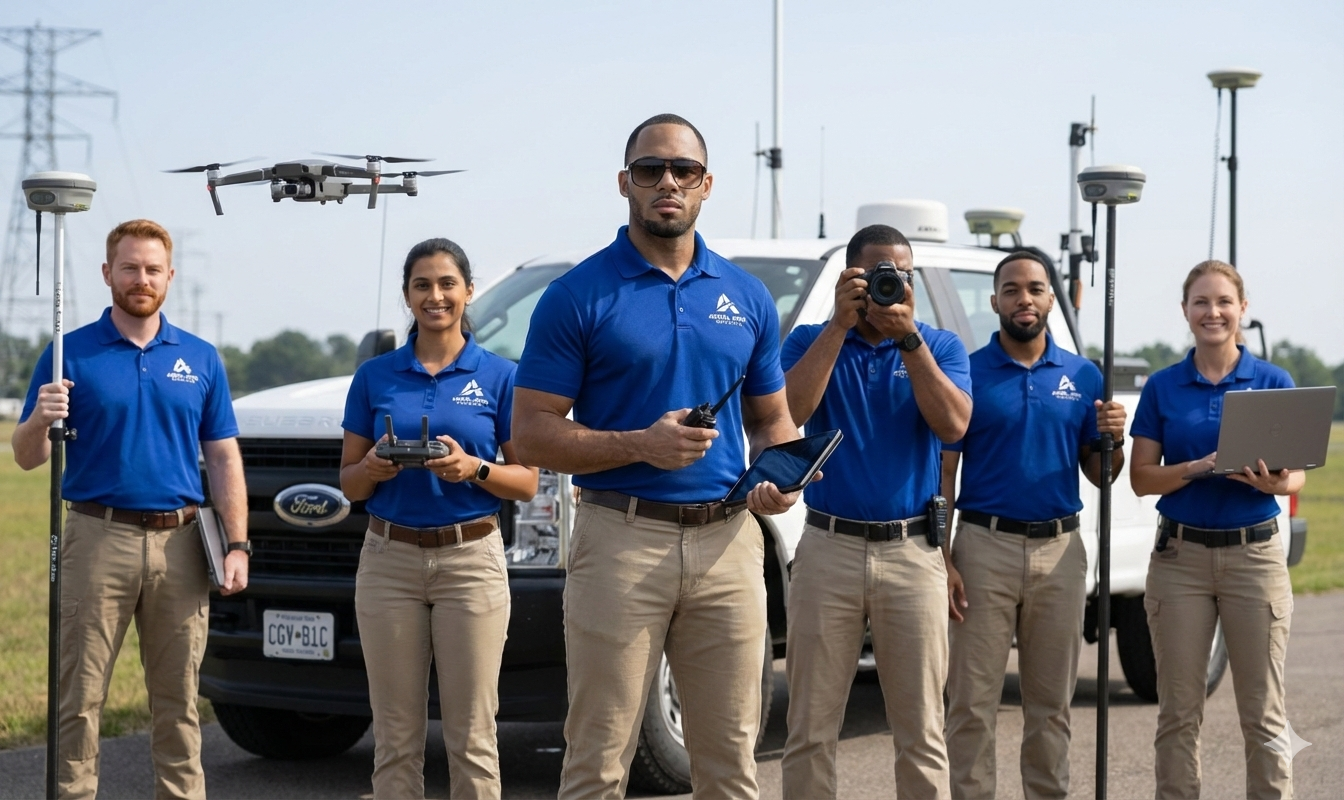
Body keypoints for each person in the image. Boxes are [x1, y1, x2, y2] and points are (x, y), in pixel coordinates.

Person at [511, 113, 801, 799]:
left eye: (683, 171)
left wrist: (780, 475)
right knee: (597, 762)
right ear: (625, 183)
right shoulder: (577, 295)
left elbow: (772, 420)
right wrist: (644, 443)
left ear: (706, 185)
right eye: (650, 170)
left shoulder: (746, 296)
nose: (666, 182)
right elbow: (530, 433)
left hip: (730, 544)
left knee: (731, 765)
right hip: (620, 539)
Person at [11, 219, 248, 800]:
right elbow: (26, 457)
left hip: (184, 544)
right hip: (97, 536)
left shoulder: (200, 358)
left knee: (178, 702)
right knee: (80, 695)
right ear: (106, 274)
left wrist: (237, 544)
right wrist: (42, 418)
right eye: (129, 267)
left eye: (152, 269)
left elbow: (222, 459)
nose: (141, 279)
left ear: (170, 276)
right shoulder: (70, 352)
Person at [339, 238, 538, 800]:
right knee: (396, 737)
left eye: (447, 284)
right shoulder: (375, 376)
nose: (436, 296)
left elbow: (525, 480)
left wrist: (474, 469)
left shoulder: (501, 376)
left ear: (468, 291)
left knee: (472, 736)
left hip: (470, 559)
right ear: (407, 295)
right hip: (388, 561)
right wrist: (376, 465)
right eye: (422, 285)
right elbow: (349, 484)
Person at [778, 223, 972, 799]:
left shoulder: (938, 346)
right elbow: (787, 414)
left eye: (902, 275)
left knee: (920, 729)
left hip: (912, 551)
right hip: (828, 546)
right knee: (809, 726)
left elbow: (955, 425)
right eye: (878, 273)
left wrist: (908, 340)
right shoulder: (810, 340)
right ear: (850, 276)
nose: (891, 284)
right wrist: (839, 325)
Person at [940, 251, 1126, 800]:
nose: (1025, 298)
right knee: (971, 703)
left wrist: (1116, 436)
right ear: (995, 300)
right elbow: (945, 470)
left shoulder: (1083, 374)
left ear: (1052, 301)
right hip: (982, 548)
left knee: (1050, 705)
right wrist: (943, 554)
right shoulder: (967, 371)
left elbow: (1103, 474)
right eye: (1013, 289)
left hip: (1059, 552)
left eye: (1037, 289)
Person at [1130, 260, 1301, 800]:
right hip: (1181, 560)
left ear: (1243, 309)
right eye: (1201, 302)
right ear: (1185, 312)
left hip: (1255, 558)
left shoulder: (1274, 381)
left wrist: (1273, 482)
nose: (1213, 312)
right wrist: (1200, 466)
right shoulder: (1162, 387)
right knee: (1179, 713)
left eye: (1224, 301)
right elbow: (1140, 479)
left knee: (1264, 715)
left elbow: (1295, 472)